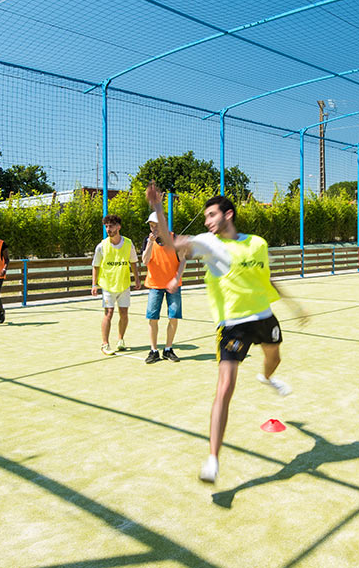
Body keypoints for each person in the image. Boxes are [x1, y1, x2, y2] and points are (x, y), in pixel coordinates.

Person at [145, 181, 307, 483]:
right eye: (205, 217)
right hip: (231, 324)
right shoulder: (208, 243)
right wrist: (156, 206)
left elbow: (267, 280)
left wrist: (294, 305)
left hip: (264, 316)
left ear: (228, 214)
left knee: (274, 360)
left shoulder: (257, 243)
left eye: (211, 215)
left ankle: (267, 378)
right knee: (225, 388)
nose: (207, 221)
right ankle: (213, 459)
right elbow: (168, 241)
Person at [142, 211, 188, 364]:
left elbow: (183, 261)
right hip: (155, 285)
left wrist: (176, 278)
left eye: (155, 225)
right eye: (151, 225)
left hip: (173, 286)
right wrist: (150, 242)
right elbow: (145, 260)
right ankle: (153, 350)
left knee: (173, 317)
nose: (152, 228)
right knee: (152, 318)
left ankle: (168, 349)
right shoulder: (147, 240)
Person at [91, 214, 141, 355]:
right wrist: (94, 284)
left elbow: (133, 262)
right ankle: (105, 344)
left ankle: (121, 340)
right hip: (107, 286)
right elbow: (96, 266)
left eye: (111, 226)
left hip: (124, 284)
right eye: (106, 226)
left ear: (118, 227)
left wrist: (137, 279)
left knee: (124, 313)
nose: (108, 229)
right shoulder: (101, 246)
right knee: (109, 313)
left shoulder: (128, 243)